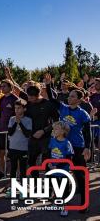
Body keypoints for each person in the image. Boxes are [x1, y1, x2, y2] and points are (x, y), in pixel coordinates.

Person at [45, 73, 91, 212]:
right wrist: (48, 85)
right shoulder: (63, 108)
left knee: (79, 175)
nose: (69, 98)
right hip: (61, 145)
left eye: (72, 96)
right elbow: (53, 99)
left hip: (77, 147)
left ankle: (84, 204)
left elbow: (88, 132)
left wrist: (87, 148)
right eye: (69, 95)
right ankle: (58, 197)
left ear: (78, 100)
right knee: (56, 172)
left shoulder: (83, 113)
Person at [5, 99, 31, 198]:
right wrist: (16, 122)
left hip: (23, 149)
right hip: (13, 148)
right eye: (15, 108)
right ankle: (12, 189)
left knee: (23, 170)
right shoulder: (12, 119)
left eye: (19, 108)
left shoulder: (28, 120)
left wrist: (20, 123)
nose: (17, 110)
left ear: (24, 109)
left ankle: (23, 191)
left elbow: (27, 134)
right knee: (13, 170)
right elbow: (10, 132)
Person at [48, 121, 74, 217]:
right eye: (54, 128)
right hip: (54, 170)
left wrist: (58, 166)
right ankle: (56, 203)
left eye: (57, 128)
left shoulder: (67, 143)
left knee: (64, 190)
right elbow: (50, 152)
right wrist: (50, 163)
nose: (54, 130)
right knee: (56, 188)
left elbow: (68, 159)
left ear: (63, 131)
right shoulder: (52, 140)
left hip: (63, 171)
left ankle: (65, 206)